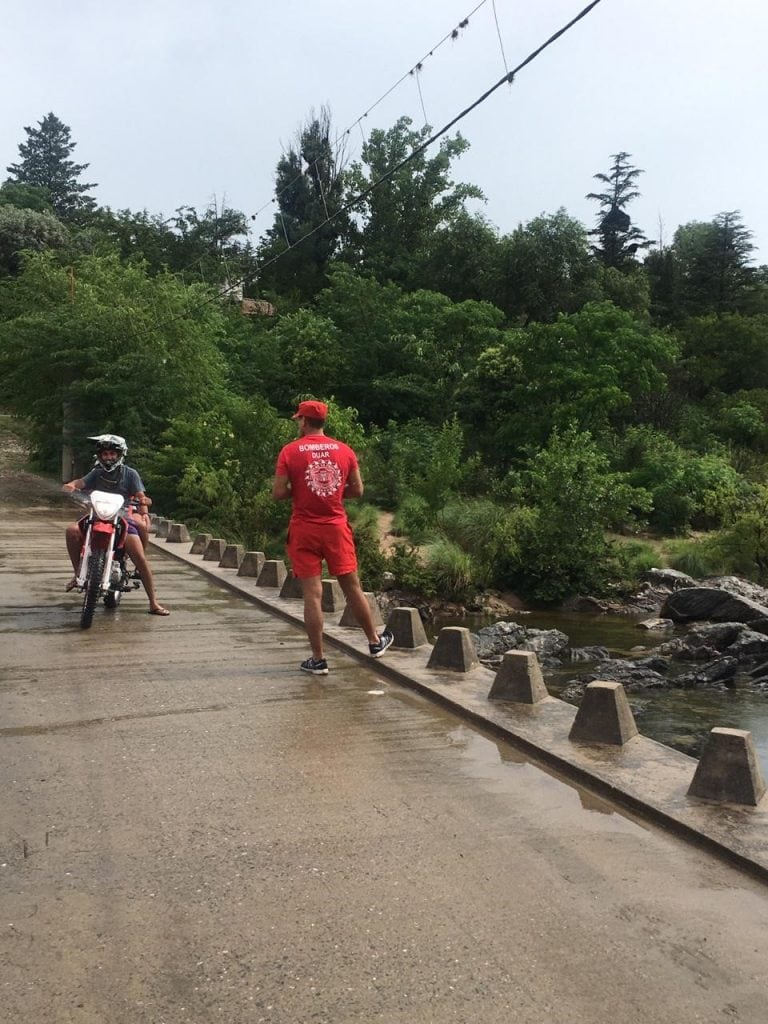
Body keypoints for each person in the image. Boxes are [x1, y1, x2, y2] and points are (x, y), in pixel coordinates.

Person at [272, 400, 393, 674]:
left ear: (304, 421)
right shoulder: (345, 450)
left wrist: (301, 490)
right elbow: (358, 490)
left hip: (304, 528)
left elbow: (278, 493)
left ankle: (318, 659)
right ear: (323, 422)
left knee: (312, 595)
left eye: (298, 420)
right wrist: (334, 493)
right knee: (352, 587)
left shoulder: (290, 452)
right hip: (336, 527)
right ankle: (374, 642)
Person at [62, 434, 170, 616]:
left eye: (112, 453)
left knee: (140, 557)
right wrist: (72, 484)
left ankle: (153, 602)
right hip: (97, 515)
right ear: (99, 456)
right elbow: (82, 482)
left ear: (120, 454)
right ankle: (77, 573)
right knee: (71, 531)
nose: (108, 457)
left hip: (122, 517)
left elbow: (140, 494)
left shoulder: (130, 473)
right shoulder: (97, 472)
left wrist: (143, 507)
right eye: (105, 454)